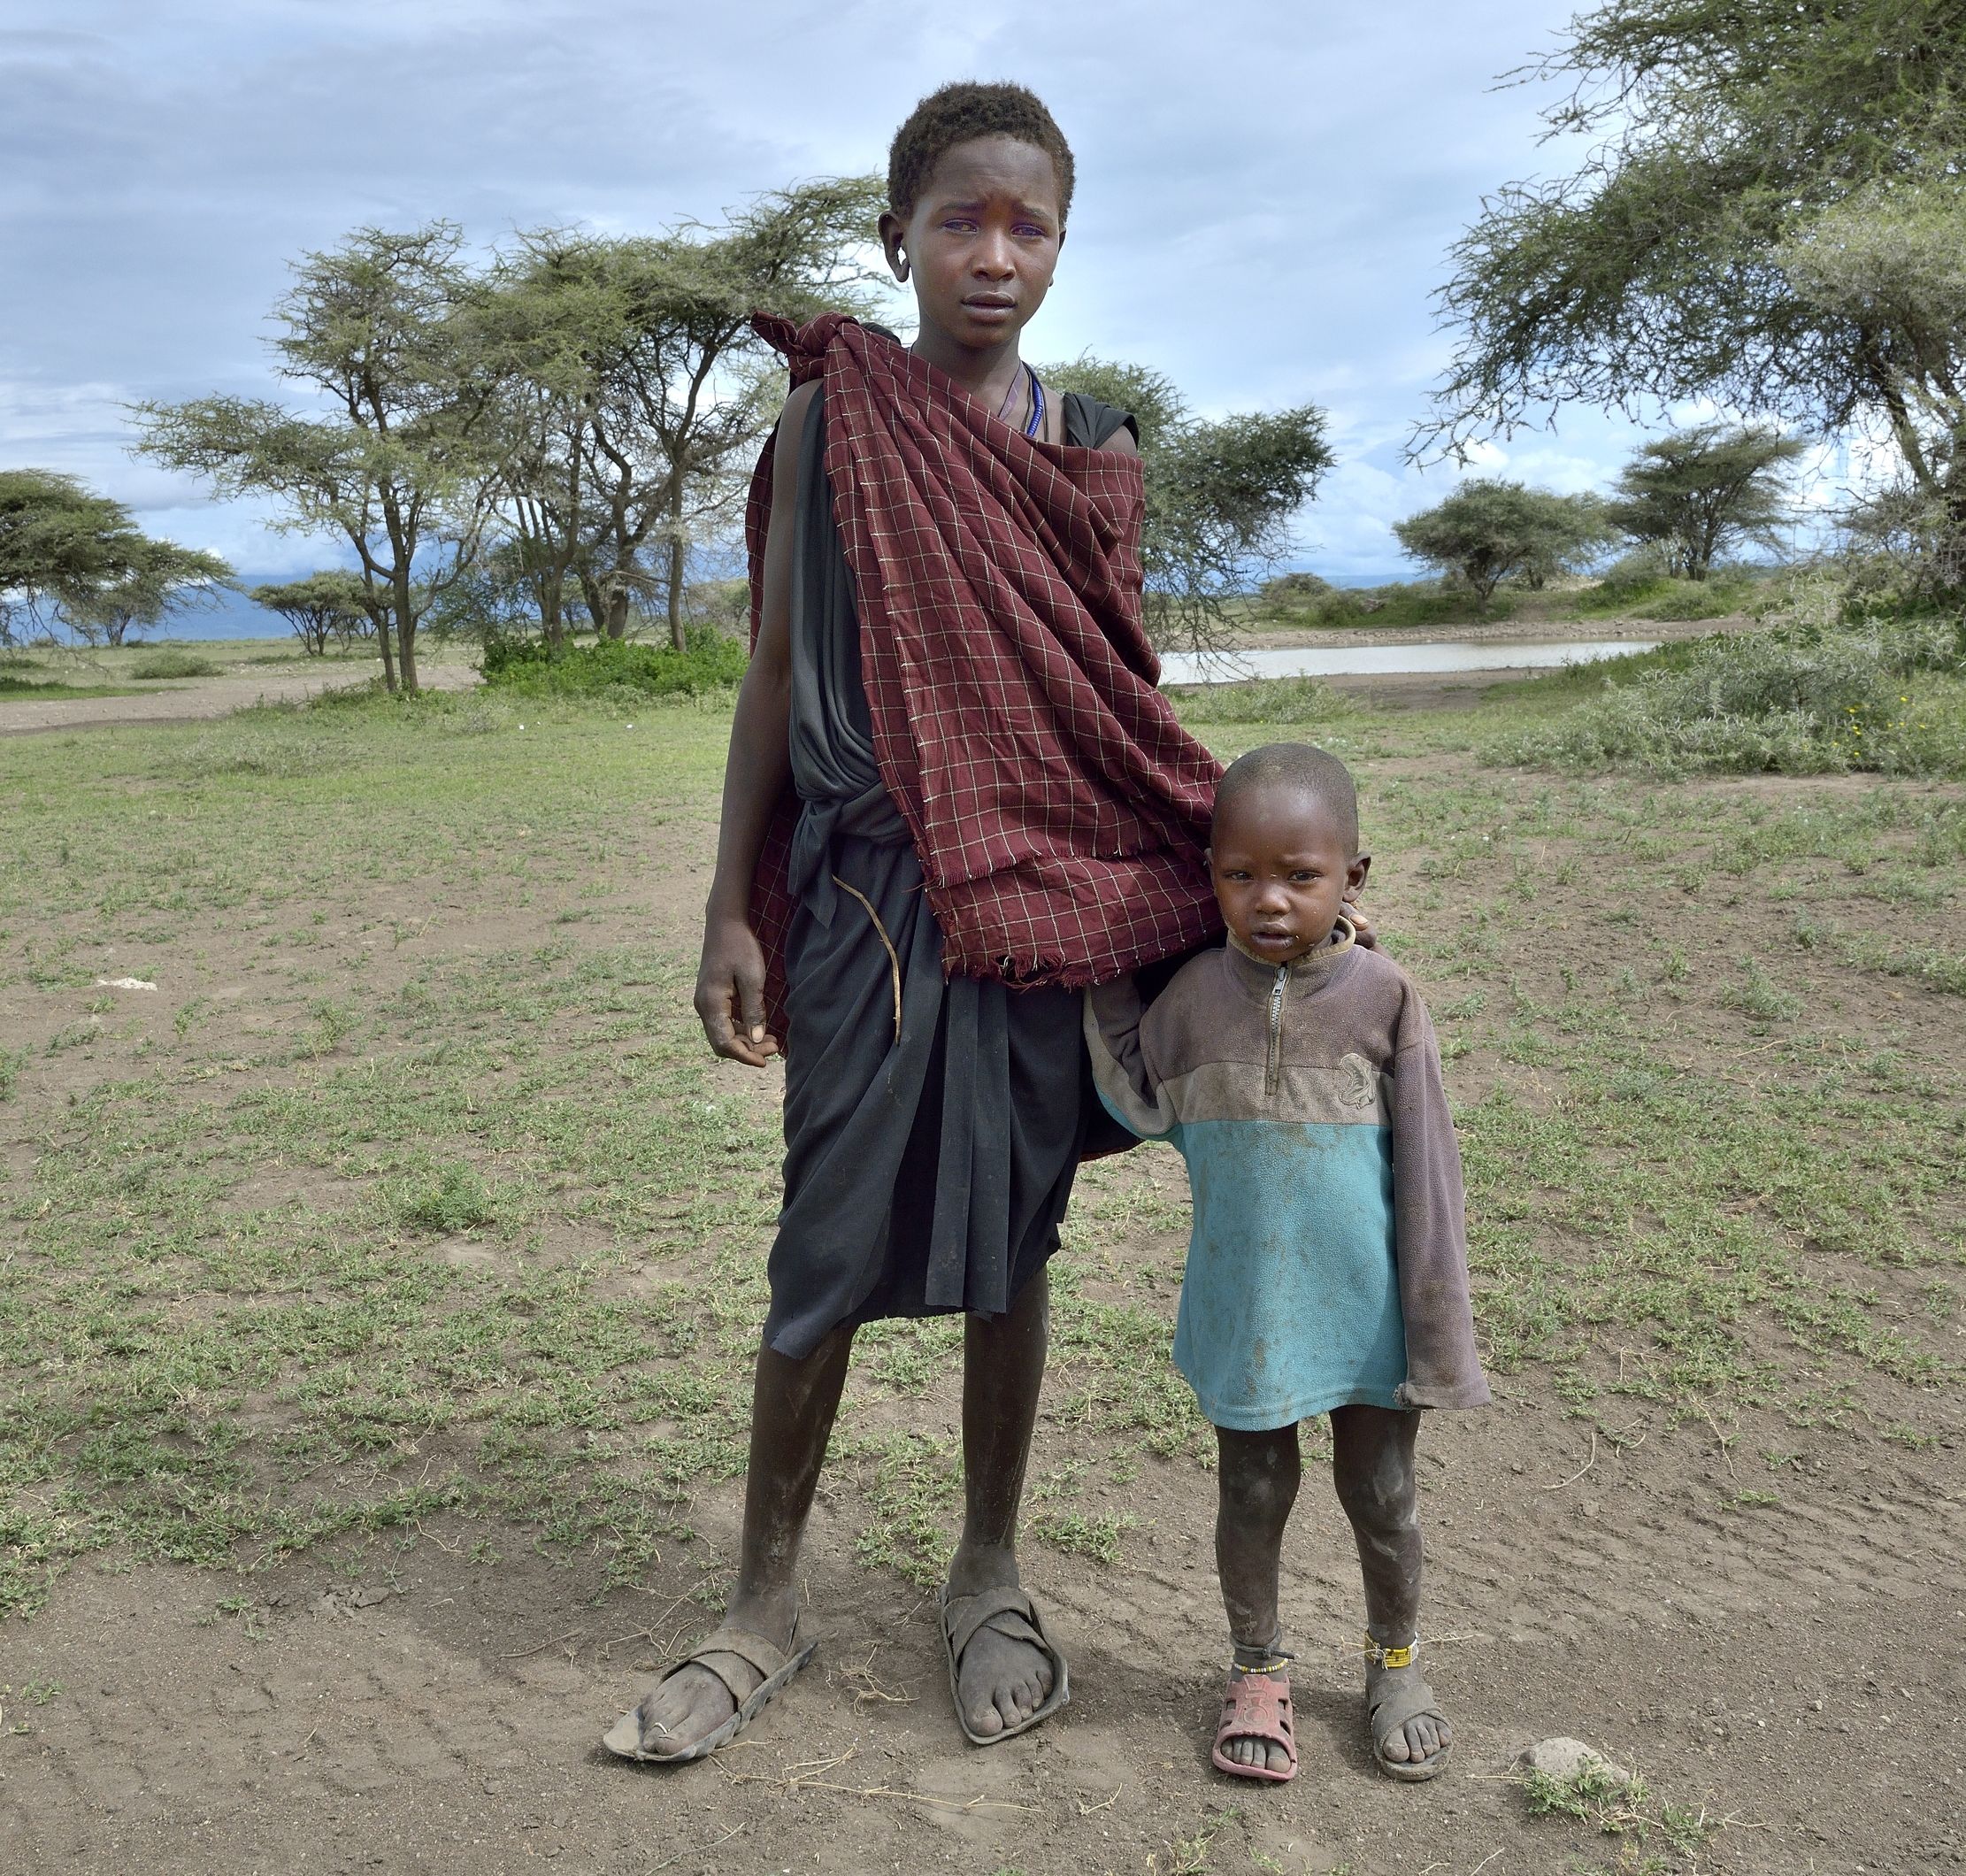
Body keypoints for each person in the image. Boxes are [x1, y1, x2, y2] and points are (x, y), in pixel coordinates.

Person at [603, 81, 1226, 1765]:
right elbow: (772, 671)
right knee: (820, 1250)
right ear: (896, 233)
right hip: (867, 904)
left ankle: (988, 1573)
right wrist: (732, 900)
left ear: (1062, 250)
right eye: (962, 218)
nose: (995, 255)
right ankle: (759, 1606)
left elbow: (1105, 711)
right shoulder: (828, 420)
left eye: (1030, 227)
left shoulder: (1082, 442)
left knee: (1015, 1243)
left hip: (1032, 903)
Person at [1082, 742, 1489, 1786]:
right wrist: (1099, 963)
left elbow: (1431, 1176)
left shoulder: (1383, 1000)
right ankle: (1257, 1667)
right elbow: (1137, 1092)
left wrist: (1439, 1331)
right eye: (1239, 875)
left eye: (1301, 876)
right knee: (1252, 1486)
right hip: (1248, 1307)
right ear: (1209, 873)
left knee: (1382, 1489)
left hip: (1370, 1313)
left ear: (1352, 877)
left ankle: (1394, 1664)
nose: (1269, 900)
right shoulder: (1188, 1001)